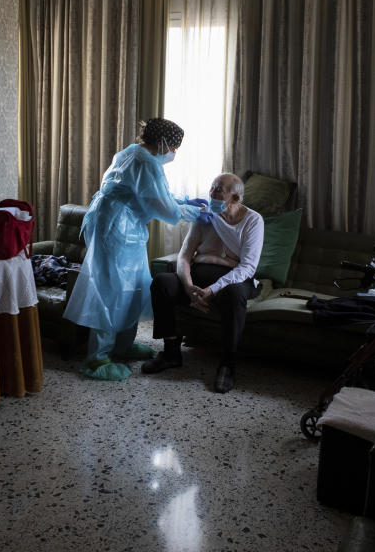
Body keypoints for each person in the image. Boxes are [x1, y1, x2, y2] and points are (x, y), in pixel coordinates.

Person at [63, 118, 203, 382]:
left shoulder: (132, 153)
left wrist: (184, 200)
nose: (174, 153)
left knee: (135, 286)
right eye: (174, 147)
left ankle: (123, 346)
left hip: (124, 228)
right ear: (163, 143)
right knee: (112, 291)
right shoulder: (145, 162)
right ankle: (98, 358)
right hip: (117, 230)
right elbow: (165, 210)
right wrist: (196, 211)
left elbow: (155, 194)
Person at [142, 173, 264, 393]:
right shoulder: (205, 215)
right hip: (199, 277)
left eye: (219, 190)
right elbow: (185, 256)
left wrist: (212, 289)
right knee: (162, 282)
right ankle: (171, 353)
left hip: (234, 279)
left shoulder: (253, 220)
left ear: (235, 198)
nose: (212, 193)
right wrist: (189, 287)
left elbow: (246, 267)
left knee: (235, 294)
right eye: (212, 187)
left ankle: (227, 365)